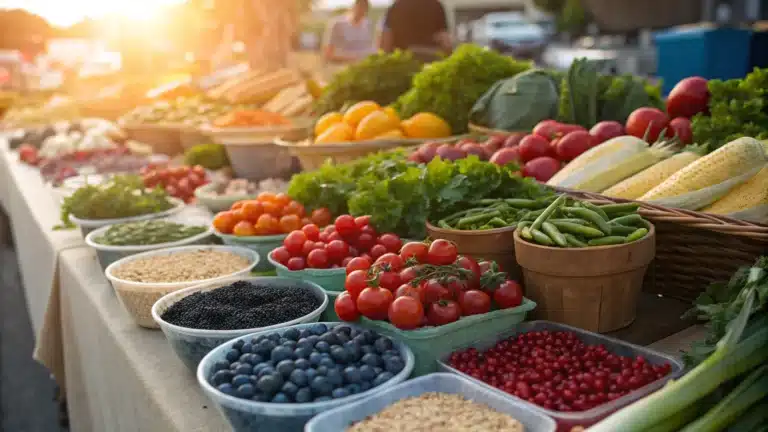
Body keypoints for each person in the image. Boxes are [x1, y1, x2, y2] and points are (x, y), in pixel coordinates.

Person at [378, 0, 452, 58]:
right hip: (430, 61)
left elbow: (386, 41)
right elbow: (446, 42)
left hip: (403, 61)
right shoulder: (436, 6)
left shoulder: (396, 7)